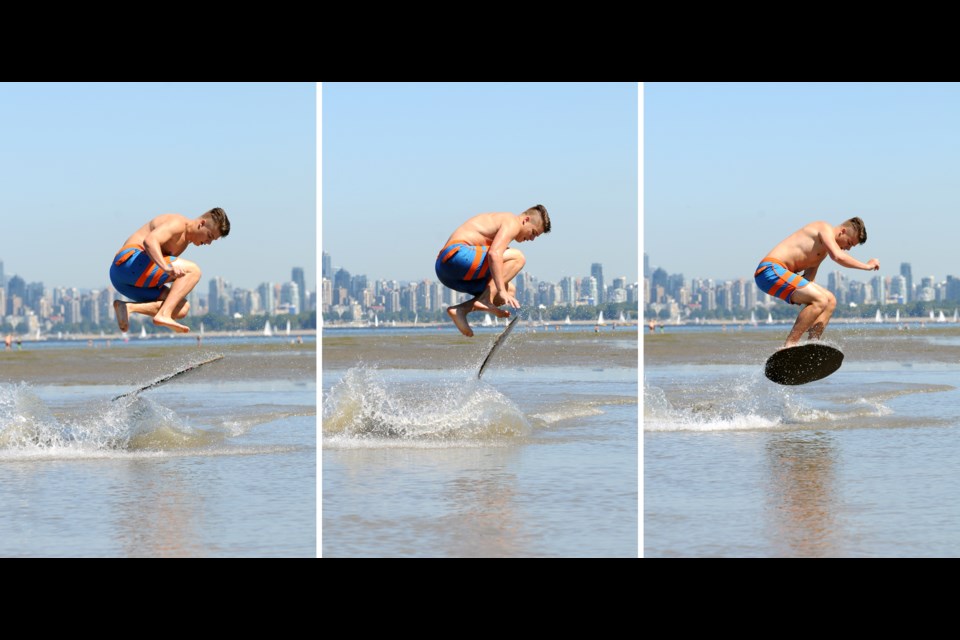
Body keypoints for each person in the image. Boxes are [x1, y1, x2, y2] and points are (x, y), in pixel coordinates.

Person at [755, 218, 879, 348]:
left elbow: (808, 280)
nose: (847, 248)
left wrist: (811, 311)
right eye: (849, 243)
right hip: (769, 270)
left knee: (830, 300)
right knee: (820, 299)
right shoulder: (823, 228)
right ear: (842, 231)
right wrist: (867, 266)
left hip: (777, 277)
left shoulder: (821, 252)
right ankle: (789, 345)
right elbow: (838, 256)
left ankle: (813, 344)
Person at [435, 205, 551, 337]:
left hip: (447, 273)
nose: (531, 239)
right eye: (533, 233)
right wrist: (500, 290)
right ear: (526, 220)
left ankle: (461, 310)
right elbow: (494, 254)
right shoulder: (512, 221)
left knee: (510, 291)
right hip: (455, 255)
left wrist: (503, 291)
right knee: (518, 258)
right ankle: (485, 300)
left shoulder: (506, 225)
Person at [111, 208, 230, 334]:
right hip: (127, 263)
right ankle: (163, 314)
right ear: (201, 224)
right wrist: (166, 267)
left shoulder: (185, 241)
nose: (208, 243)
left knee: (181, 308)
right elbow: (150, 242)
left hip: (125, 283)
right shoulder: (178, 223)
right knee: (194, 271)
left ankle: (127, 307)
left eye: (212, 240)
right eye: (209, 236)